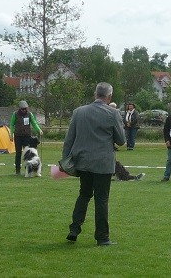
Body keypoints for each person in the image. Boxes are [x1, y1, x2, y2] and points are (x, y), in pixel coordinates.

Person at [62, 82, 125, 246]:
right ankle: (102, 237)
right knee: (101, 199)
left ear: (95, 94)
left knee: (84, 195)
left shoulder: (78, 112)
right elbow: (121, 140)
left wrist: (64, 161)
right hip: (103, 163)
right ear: (109, 96)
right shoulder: (113, 113)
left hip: (83, 162)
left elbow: (69, 140)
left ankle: (74, 229)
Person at [10, 100, 43, 175]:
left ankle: (28, 169)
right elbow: (12, 124)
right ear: (20, 108)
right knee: (18, 153)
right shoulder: (15, 114)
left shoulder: (29, 114)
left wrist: (39, 130)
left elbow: (34, 123)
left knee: (28, 153)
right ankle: (17, 169)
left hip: (27, 136)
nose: (24, 110)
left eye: (25, 108)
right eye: (23, 109)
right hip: (18, 137)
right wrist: (11, 134)